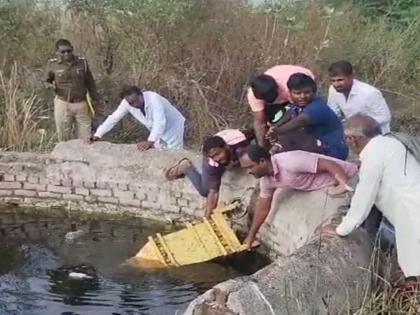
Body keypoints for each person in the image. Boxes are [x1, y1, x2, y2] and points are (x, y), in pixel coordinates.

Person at [330, 114, 420, 287]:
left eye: (347, 139)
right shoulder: (392, 143)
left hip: (411, 213)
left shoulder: (372, 156)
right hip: (411, 209)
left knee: (413, 271)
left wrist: (341, 229)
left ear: (352, 139)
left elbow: (363, 198)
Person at [240, 145, 358, 248]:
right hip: (325, 187)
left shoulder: (291, 161)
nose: (249, 172)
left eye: (250, 167)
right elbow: (263, 207)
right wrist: (251, 236)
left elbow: (329, 164)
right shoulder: (266, 181)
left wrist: (343, 184)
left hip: (350, 177)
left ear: (262, 161)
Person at [165, 129, 253, 217]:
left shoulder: (240, 144)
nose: (216, 158)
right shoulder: (211, 163)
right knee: (204, 191)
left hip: (233, 141)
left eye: (218, 154)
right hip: (218, 153)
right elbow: (213, 192)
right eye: (213, 156)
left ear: (226, 147)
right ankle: (186, 167)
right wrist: (208, 218)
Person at [267, 73, 348, 160]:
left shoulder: (318, 106)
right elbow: (289, 114)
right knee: (287, 135)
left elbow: (301, 120)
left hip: (334, 150)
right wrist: (274, 127)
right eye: (297, 93)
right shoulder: (296, 106)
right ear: (290, 93)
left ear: (313, 91)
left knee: (291, 134)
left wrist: (277, 131)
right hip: (318, 147)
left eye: (307, 92)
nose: (302, 96)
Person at [89, 86, 185, 150]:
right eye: (131, 103)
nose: (135, 105)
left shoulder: (154, 99)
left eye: (136, 101)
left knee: (174, 153)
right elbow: (113, 118)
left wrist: (150, 141)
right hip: (156, 130)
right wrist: (98, 134)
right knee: (160, 152)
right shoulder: (126, 103)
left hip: (173, 127)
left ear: (141, 95)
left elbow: (160, 122)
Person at [46, 39, 100, 141]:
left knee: (86, 138)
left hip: (82, 103)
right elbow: (46, 80)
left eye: (69, 51)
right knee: (63, 137)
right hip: (63, 103)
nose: (66, 54)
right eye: (63, 52)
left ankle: (83, 156)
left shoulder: (82, 62)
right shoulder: (52, 64)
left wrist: (95, 99)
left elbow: (90, 82)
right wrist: (49, 86)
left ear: (72, 49)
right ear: (57, 52)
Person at [247, 65, 315, 146]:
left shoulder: (288, 87)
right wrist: (261, 147)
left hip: (304, 81)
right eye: (267, 99)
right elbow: (260, 123)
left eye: (273, 97)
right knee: (270, 121)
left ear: (277, 89)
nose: (271, 100)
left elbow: (299, 113)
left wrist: (278, 128)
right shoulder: (253, 95)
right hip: (282, 94)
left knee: (303, 117)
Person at [327, 60, 391, 133]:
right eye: (333, 81)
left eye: (340, 80)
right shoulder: (333, 90)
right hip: (352, 133)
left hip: (377, 134)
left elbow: (385, 117)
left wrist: (360, 123)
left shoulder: (369, 93)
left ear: (351, 77)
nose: (336, 84)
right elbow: (333, 111)